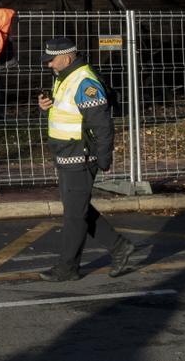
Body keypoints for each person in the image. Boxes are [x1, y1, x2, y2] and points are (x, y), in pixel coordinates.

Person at [36, 37, 136, 281]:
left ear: (67, 57)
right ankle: (119, 246)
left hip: (80, 156)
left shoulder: (85, 82)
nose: (49, 65)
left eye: (52, 60)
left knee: (74, 215)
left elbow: (102, 124)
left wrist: (104, 157)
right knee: (77, 209)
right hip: (67, 153)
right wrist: (46, 106)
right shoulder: (66, 76)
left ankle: (67, 268)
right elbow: (68, 112)